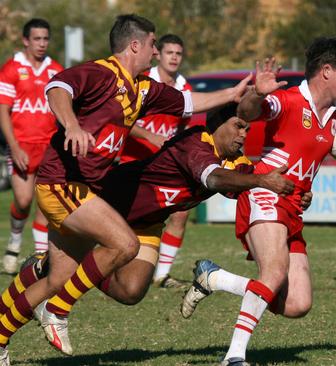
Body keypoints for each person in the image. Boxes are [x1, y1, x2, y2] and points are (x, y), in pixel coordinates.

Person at [0, 14, 250, 364]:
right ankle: (57, 310)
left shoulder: (142, 87)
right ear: (136, 45)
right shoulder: (102, 73)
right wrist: (71, 124)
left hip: (83, 189)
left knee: (59, 276)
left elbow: (188, 103)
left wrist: (235, 92)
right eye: (152, 45)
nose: (155, 52)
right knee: (125, 244)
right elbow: (58, 87)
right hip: (62, 183)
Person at [0, 104, 297, 355]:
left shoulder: (235, 160)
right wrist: (261, 181)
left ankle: (49, 268)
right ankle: (10, 329)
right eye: (239, 126)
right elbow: (215, 180)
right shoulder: (194, 143)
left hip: (146, 223)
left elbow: (243, 181)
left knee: (131, 291)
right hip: (108, 204)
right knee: (59, 277)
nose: (244, 135)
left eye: (247, 129)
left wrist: (289, 191)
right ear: (218, 125)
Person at [180, 37, 336, 366]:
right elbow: (249, 112)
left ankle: (215, 278)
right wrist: (258, 93)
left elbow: (305, 162)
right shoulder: (288, 101)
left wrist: (306, 190)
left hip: (291, 205)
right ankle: (234, 357)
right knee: (273, 271)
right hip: (264, 191)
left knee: (297, 304)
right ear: (327, 71)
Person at [120, 33, 194, 288]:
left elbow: (182, 128)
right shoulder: (142, 81)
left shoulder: (185, 88)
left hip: (163, 166)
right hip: (132, 161)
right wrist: (151, 136)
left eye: (178, 53)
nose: (174, 57)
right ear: (158, 55)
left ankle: (162, 275)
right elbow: (123, 121)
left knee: (181, 212)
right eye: (170, 52)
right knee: (121, 219)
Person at [0, 18, 63, 274]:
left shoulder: (55, 70)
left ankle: (40, 261)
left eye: (45, 38)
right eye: (36, 38)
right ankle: (14, 242)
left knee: (45, 204)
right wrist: (13, 146)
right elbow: (3, 111)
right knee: (23, 200)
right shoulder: (12, 68)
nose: (41, 43)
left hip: (49, 147)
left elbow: (62, 108)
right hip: (22, 146)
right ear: (26, 40)